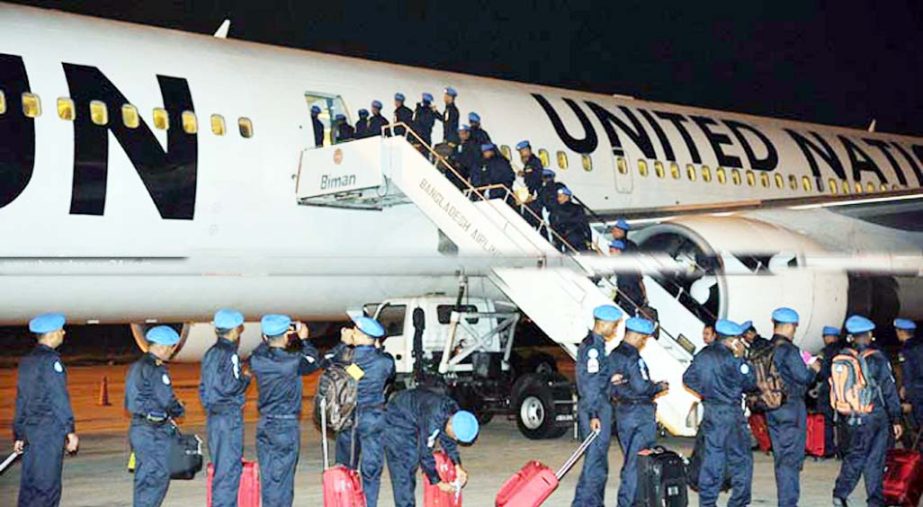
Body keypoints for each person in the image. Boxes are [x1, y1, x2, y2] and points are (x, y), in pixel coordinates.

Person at [683, 319, 757, 507]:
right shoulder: (733, 358)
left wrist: (707, 392)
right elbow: (750, 383)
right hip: (731, 413)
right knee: (742, 460)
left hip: (711, 412)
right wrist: (742, 359)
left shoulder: (703, 355)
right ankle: (738, 502)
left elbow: (688, 378)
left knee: (711, 459)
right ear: (732, 340)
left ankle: (707, 503)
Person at [832, 316, 903, 507]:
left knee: (855, 455)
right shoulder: (877, 358)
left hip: (850, 416)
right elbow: (889, 390)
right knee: (875, 459)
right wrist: (896, 418)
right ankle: (875, 500)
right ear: (869, 335)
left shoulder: (842, 357)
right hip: (875, 416)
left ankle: (840, 493)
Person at [250, 314, 320, 507]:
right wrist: (304, 338)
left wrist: (275, 335)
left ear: (265, 337)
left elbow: (263, 346)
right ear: (285, 336)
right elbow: (314, 361)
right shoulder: (292, 362)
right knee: (284, 477)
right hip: (285, 425)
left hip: (265, 423)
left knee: (269, 475)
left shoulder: (257, 360)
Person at [326, 316, 395, 507]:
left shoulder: (347, 357)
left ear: (362, 336)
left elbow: (328, 362)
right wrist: (376, 347)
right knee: (372, 467)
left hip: (349, 415)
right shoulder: (385, 361)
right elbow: (389, 374)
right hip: (373, 415)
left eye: (355, 332)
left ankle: (347, 501)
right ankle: (369, 502)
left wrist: (343, 344)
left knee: (346, 464)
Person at [13, 313, 78, 507]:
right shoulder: (51, 362)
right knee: (47, 488)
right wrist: (70, 430)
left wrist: (19, 433)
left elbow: (21, 399)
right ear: (51, 334)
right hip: (48, 431)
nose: (63, 333)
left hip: (31, 432)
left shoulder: (27, 361)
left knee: (30, 485)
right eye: (61, 330)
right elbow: (58, 398)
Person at [764, 307, 821, 507]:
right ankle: (787, 503)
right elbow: (804, 378)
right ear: (789, 326)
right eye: (794, 327)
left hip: (771, 407)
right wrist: (814, 370)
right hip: (791, 407)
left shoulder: (764, 347)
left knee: (781, 454)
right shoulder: (790, 350)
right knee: (790, 458)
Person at [383, 388, 478, 507]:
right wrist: (438, 482)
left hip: (414, 412)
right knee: (404, 467)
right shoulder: (433, 421)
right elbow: (425, 455)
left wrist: (458, 466)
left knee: (412, 460)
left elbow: (448, 440)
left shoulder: (454, 413)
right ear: (451, 424)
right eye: (456, 436)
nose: (456, 439)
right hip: (396, 417)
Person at [610, 317, 668, 507]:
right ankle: (628, 503)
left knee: (630, 460)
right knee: (637, 463)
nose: (643, 341)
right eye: (642, 338)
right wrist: (658, 386)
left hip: (623, 412)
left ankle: (633, 500)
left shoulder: (614, 355)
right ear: (633, 335)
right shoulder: (632, 357)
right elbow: (642, 386)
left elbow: (610, 385)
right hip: (639, 414)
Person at [125, 326, 185, 507]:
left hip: (139, 427)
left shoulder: (136, 366)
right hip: (154, 431)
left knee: (144, 478)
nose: (171, 353)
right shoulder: (156, 369)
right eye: (171, 348)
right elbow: (166, 399)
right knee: (157, 477)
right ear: (162, 347)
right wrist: (179, 409)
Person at [199, 309, 252, 507]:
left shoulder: (210, 353)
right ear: (235, 330)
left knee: (221, 467)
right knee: (229, 471)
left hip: (214, 416)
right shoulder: (229, 353)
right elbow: (230, 386)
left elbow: (204, 387)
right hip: (228, 417)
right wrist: (245, 380)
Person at [572, 305, 623, 507]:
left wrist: (611, 379)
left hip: (599, 404)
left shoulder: (597, 345)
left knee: (599, 460)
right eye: (613, 325)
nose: (615, 330)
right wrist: (594, 414)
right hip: (595, 407)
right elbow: (590, 383)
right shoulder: (593, 348)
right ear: (602, 324)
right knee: (594, 461)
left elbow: (597, 378)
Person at [816, 325, 843, 458]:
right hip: (844, 389)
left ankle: (828, 448)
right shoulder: (845, 350)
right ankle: (843, 449)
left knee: (825, 420)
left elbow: (822, 372)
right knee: (843, 420)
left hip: (828, 389)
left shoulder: (825, 352)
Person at [895, 318, 923, 431]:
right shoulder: (920, 346)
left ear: (901, 332)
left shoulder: (906, 350)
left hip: (915, 389)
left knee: (917, 421)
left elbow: (908, 372)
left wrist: (905, 389)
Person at [608, 239, 646, 314]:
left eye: (611, 251)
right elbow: (640, 281)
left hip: (629, 297)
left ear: (618, 251)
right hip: (631, 296)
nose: (610, 253)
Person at [551, 187, 591, 252]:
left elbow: (584, 223)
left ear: (566, 197)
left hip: (571, 239)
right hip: (577, 239)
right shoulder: (578, 208)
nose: (558, 199)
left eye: (560, 196)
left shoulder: (557, 210)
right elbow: (585, 224)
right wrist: (589, 239)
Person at [516, 140, 545, 226]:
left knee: (534, 216)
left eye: (523, 151)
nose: (521, 154)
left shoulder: (535, 162)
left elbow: (537, 176)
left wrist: (525, 174)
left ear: (529, 150)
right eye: (520, 152)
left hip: (535, 193)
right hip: (531, 193)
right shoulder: (529, 163)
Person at [447, 125, 479, 189]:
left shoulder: (472, 144)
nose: (461, 135)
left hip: (467, 170)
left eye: (463, 133)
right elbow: (454, 155)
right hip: (458, 169)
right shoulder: (458, 145)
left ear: (468, 133)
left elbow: (472, 159)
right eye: (460, 133)